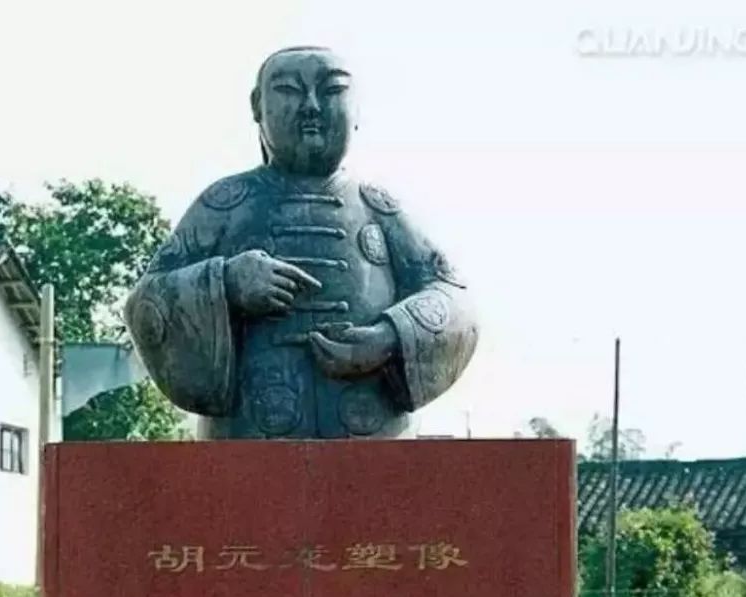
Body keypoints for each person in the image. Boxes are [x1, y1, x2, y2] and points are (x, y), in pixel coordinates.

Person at [124, 45, 479, 439]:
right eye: (290, 91)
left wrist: (389, 337)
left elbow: (453, 297)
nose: (311, 106)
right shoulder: (224, 204)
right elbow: (147, 302)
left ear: (357, 110)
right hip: (249, 437)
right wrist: (225, 283)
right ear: (257, 107)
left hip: (371, 437)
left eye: (331, 91)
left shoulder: (381, 208)